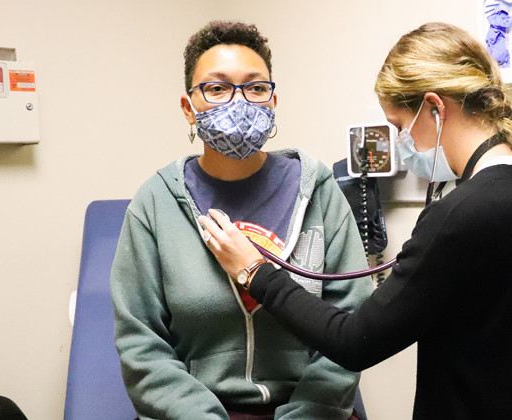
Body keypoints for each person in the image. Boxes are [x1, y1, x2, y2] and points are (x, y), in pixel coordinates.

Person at [200, 22, 512, 420]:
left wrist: (255, 273)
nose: (401, 141)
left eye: (398, 126)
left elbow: (355, 342)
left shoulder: (463, 215)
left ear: (435, 108)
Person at [110, 20, 373, 420]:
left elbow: (351, 325)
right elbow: (141, 344)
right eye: (217, 88)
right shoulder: (156, 202)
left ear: (273, 101)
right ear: (188, 107)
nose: (239, 102)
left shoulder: (318, 193)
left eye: (255, 88)